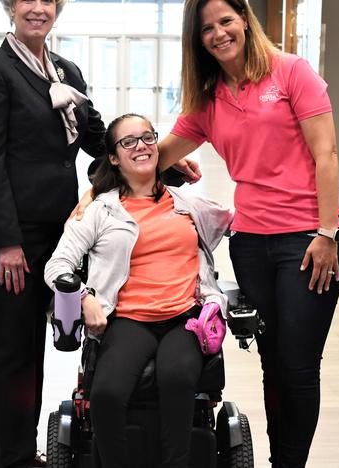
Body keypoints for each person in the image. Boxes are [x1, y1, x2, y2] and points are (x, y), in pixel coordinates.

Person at [158, 1, 339, 467]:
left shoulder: (291, 72)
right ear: (197, 39)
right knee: (272, 365)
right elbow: (151, 156)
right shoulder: (207, 100)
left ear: (245, 19)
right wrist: (97, 188)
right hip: (250, 242)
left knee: (299, 367)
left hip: (308, 240)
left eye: (226, 20)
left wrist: (326, 232)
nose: (219, 33)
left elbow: (327, 154)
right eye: (207, 28)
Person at [45, 114, 233, 468]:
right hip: (129, 320)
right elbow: (56, 267)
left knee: (177, 379)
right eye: (128, 141)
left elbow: (245, 219)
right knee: (106, 394)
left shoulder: (190, 205)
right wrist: (85, 299)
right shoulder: (100, 211)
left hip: (184, 318)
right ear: (113, 158)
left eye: (147, 137)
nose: (141, 146)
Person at [0, 1, 107, 466]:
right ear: (10, 8)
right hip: (11, 233)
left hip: (58, 229)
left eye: (48, 0)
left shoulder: (64, 69)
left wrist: (153, 154)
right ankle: (17, 457)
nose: (38, 8)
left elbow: (95, 137)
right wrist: (7, 241)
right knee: (15, 344)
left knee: (27, 341)